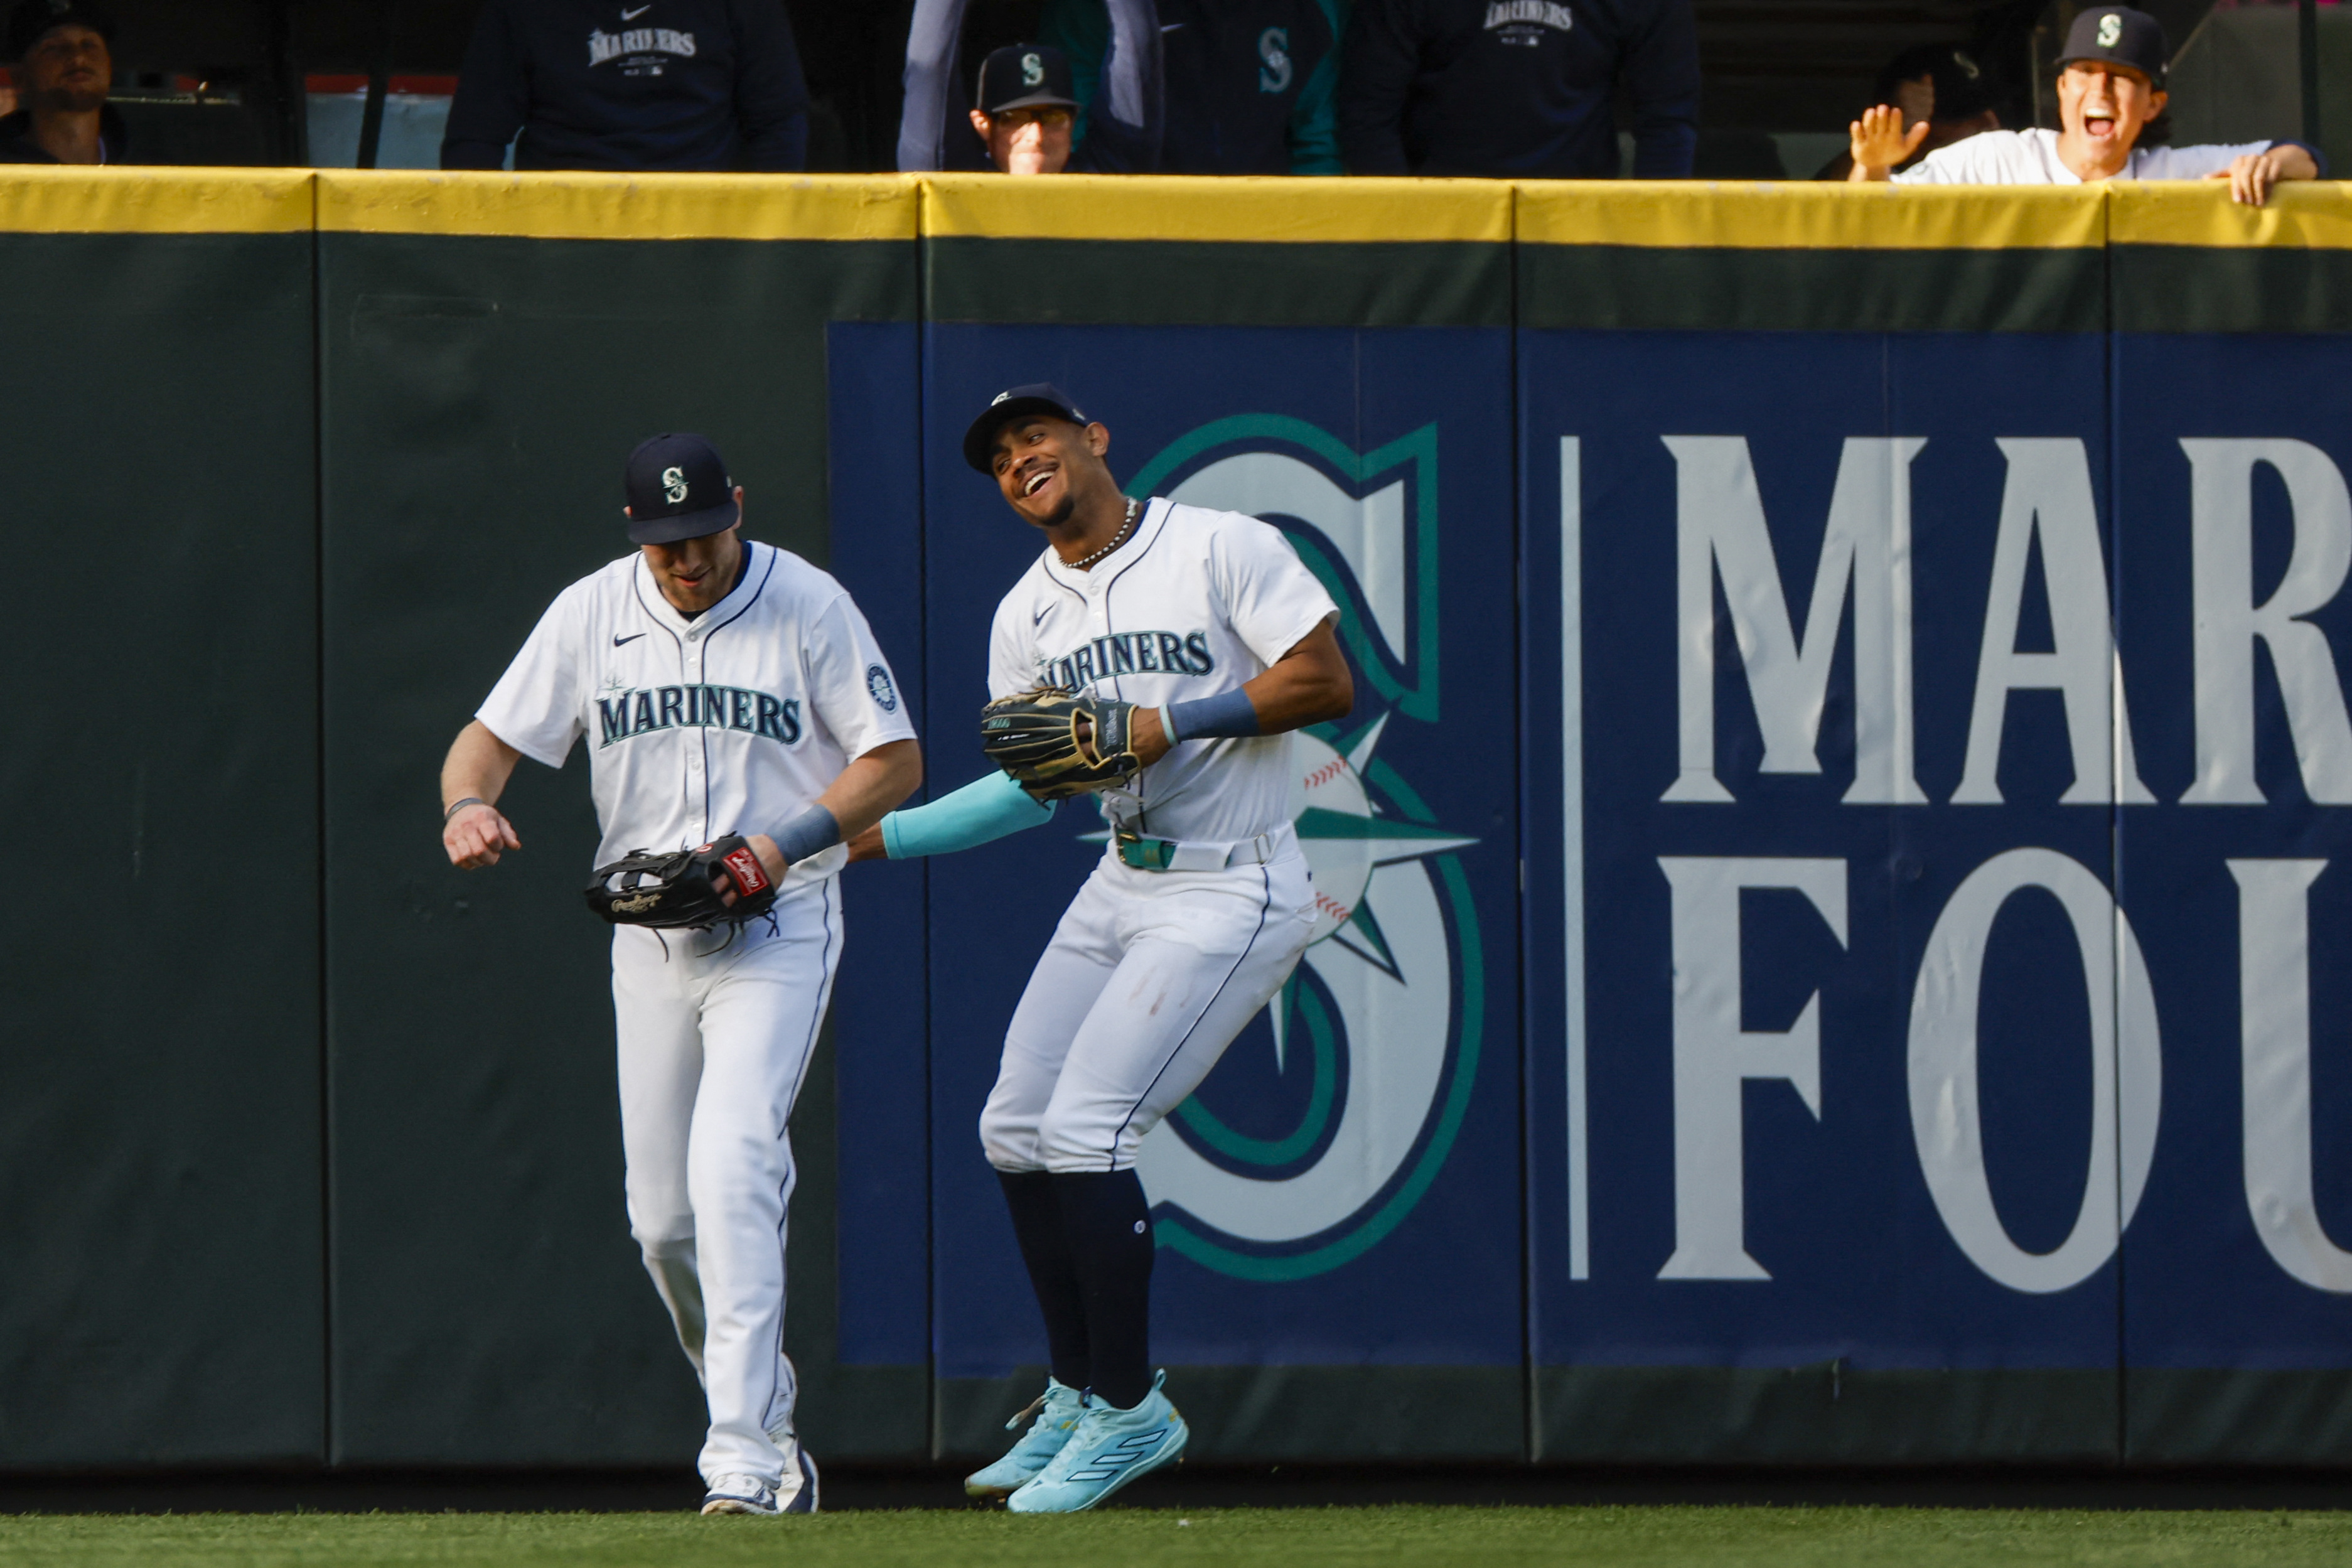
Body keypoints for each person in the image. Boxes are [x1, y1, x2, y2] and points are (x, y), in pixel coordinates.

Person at [845, 385, 1351, 1512]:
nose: (1020, 457)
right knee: (1014, 1126)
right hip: (1124, 874)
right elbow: (1031, 792)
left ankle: (1131, 1409)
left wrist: (1163, 722)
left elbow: (1324, 680)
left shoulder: (1219, 543)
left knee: (1089, 1128)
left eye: (1036, 435)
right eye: (999, 455)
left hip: (1236, 881)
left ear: (1094, 440)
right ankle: (1079, 1389)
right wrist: (849, 845)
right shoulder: (1026, 613)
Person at [439, 433, 921, 1517]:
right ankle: (758, 1413)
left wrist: (784, 842)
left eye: (700, 536)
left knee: (736, 1162)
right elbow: (483, 743)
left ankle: (744, 1460)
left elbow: (893, 761)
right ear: (633, 534)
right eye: (663, 545)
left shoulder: (809, 604)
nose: (685, 561)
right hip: (651, 935)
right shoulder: (592, 611)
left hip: (778, 919)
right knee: (661, 1219)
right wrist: (467, 803)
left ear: (735, 508)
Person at [1849, 6, 2322, 205]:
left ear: (2152, 105)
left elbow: (2304, 156)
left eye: (2121, 78)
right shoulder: (1997, 158)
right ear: (2061, 90)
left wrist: (2269, 165)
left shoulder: (2174, 172)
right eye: (2085, 73)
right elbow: (1870, 214)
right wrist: (1870, 170)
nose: (2099, 89)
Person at [1338, 0, 1699, 178]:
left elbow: (1668, 123)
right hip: (1440, 209)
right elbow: (1365, 116)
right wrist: (1403, 227)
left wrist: (1649, 240)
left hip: (1579, 216)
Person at [441, 0, 810, 172]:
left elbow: (779, 123)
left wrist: (759, 243)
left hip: (707, 225)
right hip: (560, 229)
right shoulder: (520, 9)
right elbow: (475, 139)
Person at [1040, 0, 1346, 175]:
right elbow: (1067, 133)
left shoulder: (1313, 11)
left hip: (1264, 232)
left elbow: (1317, 144)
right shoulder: (1098, 9)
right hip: (1136, 229)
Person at [899, 0, 1161, 173]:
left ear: (1073, 122)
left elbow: (1138, 49)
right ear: (983, 126)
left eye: (1053, 118)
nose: (1036, 137)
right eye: (1016, 118)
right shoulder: (950, 178)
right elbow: (930, 67)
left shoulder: (1108, 176)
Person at [1815, 41, 2000, 181]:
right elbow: (1836, 213)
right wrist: (1878, 151)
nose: (1988, 123)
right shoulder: (1898, 176)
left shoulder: (2007, 158)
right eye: (1963, 116)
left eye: (1989, 109)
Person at [0, 1, 124, 165]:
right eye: (54, 47)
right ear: (19, 76)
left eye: (89, 44)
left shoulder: (154, 157)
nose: (78, 58)